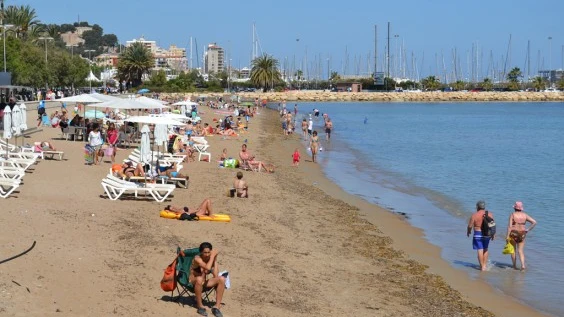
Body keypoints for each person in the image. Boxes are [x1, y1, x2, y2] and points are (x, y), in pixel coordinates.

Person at [188, 242, 225, 317]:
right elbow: (207, 268)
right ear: (201, 252)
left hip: (203, 282)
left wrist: (214, 260)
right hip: (193, 281)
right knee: (199, 279)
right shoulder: (197, 259)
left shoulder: (210, 258)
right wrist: (212, 256)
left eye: (209, 252)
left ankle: (216, 307)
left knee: (221, 279)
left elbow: (215, 275)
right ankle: (200, 306)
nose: (207, 254)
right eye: (205, 252)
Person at [506, 201, 537, 271]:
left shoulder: (512, 215)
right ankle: (523, 265)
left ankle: (514, 266)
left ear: (515, 208)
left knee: (513, 250)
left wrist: (507, 236)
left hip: (514, 233)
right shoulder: (525, 215)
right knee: (520, 251)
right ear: (521, 208)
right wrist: (527, 230)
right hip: (522, 233)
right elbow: (534, 222)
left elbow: (510, 227)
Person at [467, 200, 495, 271]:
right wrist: (493, 234)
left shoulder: (474, 215)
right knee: (485, 249)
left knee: (480, 249)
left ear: (477, 207)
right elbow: (492, 225)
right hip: (487, 234)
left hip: (478, 234)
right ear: (484, 207)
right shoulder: (490, 214)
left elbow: (470, 226)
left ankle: (482, 266)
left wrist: (468, 232)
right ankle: (484, 266)